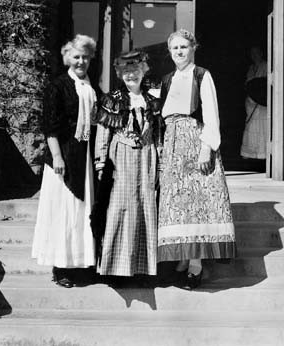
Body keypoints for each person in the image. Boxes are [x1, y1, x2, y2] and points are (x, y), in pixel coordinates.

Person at [158, 29, 236, 289]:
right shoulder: (167, 79)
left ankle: (195, 265)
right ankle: (181, 259)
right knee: (178, 205)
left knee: (198, 204)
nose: (179, 52)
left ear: (193, 48)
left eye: (184, 47)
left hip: (195, 141)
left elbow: (211, 114)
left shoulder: (202, 75)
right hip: (172, 144)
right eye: (174, 48)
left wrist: (207, 148)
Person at [32, 34, 102, 288]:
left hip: (85, 156)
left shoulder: (92, 87)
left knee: (83, 212)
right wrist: (58, 156)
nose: (81, 61)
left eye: (85, 57)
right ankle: (60, 267)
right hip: (64, 155)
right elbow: (50, 125)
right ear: (67, 58)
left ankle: (81, 265)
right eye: (76, 56)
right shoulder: (58, 86)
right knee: (64, 211)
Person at [93, 50, 162, 279]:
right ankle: (117, 268)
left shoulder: (152, 101)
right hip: (121, 158)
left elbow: (159, 134)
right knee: (121, 207)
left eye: (135, 71)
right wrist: (101, 163)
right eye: (126, 71)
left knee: (145, 204)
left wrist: (160, 161)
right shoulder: (112, 99)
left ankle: (143, 268)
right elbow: (103, 134)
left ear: (143, 72)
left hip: (147, 157)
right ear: (120, 74)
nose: (131, 75)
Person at [240, 46, 267, 163]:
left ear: (261, 54)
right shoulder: (251, 68)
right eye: (252, 53)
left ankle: (263, 154)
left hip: (262, 103)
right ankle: (250, 153)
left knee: (262, 126)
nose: (255, 55)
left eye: (257, 53)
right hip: (251, 102)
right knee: (251, 126)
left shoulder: (266, 65)